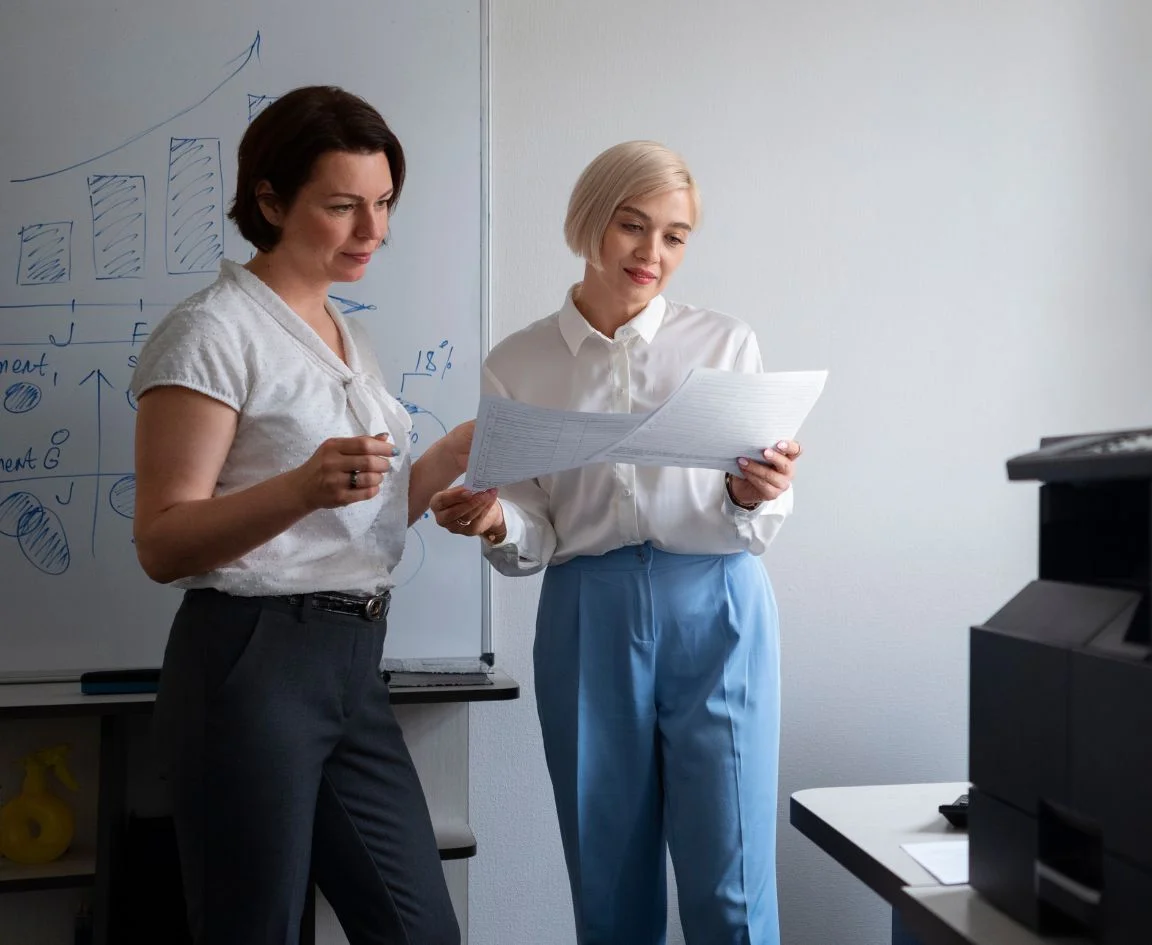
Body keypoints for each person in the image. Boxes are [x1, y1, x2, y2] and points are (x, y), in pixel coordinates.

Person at [429, 140, 801, 944]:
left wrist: (752, 490)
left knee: (732, 884)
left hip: (718, 607)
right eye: (633, 226)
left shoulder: (726, 345)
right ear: (589, 222)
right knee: (608, 883)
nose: (653, 253)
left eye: (674, 235)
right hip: (588, 613)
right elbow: (532, 525)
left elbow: (761, 508)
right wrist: (495, 520)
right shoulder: (517, 363)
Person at [130, 85, 469, 945]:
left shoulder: (340, 332)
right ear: (271, 201)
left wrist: (451, 464)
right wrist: (298, 487)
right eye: (343, 206)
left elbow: (355, 519)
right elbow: (163, 540)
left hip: (352, 661)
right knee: (256, 932)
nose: (373, 232)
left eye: (384, 203)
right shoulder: (211, 332)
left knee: (421, 929)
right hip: (251, 662)